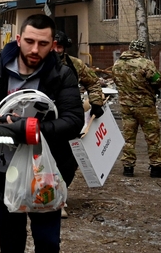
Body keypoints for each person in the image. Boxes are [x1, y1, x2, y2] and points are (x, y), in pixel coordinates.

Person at [0, 14, 83, 253]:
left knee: (47, 242)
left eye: (43, 44)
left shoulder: (62, 75)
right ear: (18, 39)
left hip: (45, 174)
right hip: (3, 170)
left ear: (52, 44)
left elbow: (74, 121)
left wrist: (33, 129)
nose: (35, 49)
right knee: (11, 239)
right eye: (30, 41)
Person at [53, 30, 106, 218]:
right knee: (45, 160)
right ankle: (52, 199)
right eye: (53, 45)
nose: (56, 50)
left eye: (60, 47)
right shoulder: (38, 64)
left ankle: (60, 193)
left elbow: (93, 83)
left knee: (69, 161)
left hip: (70, 119)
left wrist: (96, 102)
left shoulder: (75, 64)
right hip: (46, 120)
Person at [112, 39, 161, 178]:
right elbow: (158, 81)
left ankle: (128, 167)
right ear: (142, 50)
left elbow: (116, 81)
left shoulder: (117, 64)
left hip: (126, 106)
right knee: (152, 137)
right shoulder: (145, 63)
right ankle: (156, 167)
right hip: (145, 106)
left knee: (129, 137)